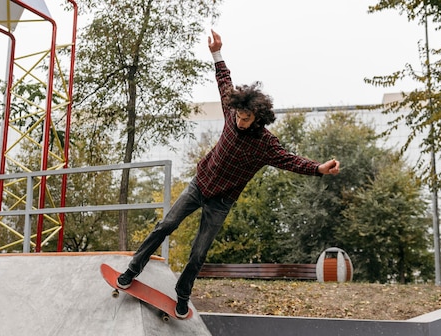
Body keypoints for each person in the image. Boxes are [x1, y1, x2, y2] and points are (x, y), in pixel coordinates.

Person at [117, 29, 341, 319]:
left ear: (257, 118)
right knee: (165, 225)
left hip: (221, 202)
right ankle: (133, 269)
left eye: (246, 119)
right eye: (238, 116)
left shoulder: (266, 145)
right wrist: (216, 52)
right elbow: (223, 80)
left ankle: (182, 294)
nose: (240, 121)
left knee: (198, 253)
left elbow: (290, 161)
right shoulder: (231, 110)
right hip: (201, 184)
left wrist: (319, 168)